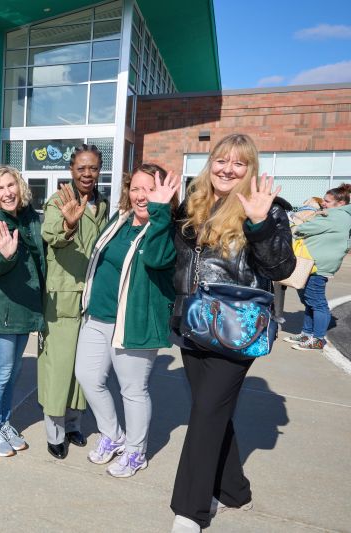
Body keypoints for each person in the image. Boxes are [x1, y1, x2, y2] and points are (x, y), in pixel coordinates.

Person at [168, 134, 295, 533]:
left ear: (250, 169)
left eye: (238, 163)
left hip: (236, 328)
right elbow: (173, 261)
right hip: (192, 322)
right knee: (212, 411)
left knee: (205, 413)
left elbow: (281, 268)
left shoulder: (268, 210)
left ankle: (190, 511)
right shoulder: (193, 204)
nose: (227, 169)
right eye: (221, 160)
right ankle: (234, 490)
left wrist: (259, 225)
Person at [74, 163, 179, 478]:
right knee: (88, 377)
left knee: (132, 390)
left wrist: (160, 213)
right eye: (135, 188)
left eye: (149, 189)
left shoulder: (165, 228)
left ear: (164, 194)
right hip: (98, 316)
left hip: (134, 321)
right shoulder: (119, 221)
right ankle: (112, 435)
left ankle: (135, 452)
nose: (141, 195)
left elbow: (157, 259)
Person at [39, 144, 109, 459]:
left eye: (93, 168)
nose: (87, 174)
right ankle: (54, 433)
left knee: (84, 368)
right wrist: (68, 224)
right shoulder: (59, 200)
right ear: (71, 169)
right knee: (58, 367)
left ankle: (73, 424)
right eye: (81, 168)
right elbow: (51, 233)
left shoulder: (102, 204)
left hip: (91, 298)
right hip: (62, 296)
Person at [0, 165, 45, 457]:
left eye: (10, 185)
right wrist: (5, 256)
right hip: (1, 309)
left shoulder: (29, 219)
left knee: (14, 370)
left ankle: (4, 422)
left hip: (24, 307)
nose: (7, 192)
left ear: (20, 186)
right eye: (0, 188)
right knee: (2, 371)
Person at [286, 183, 351, 350]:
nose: (323, 203)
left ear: (340, 203)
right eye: (324, 200)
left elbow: (306, 228)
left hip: (317, 265)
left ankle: (318, 340)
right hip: (313, 263)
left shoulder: (337, 216)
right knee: (310, 301)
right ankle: (307, 334)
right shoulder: (337, 215)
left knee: (317, 303)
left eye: (327, 201)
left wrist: (295, 223)